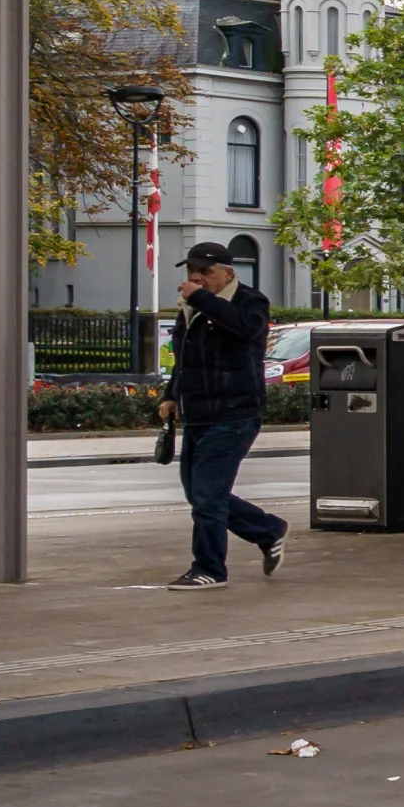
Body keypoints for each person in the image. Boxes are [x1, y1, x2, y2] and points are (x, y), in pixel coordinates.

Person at [161, 239, 285, 589]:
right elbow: (185, 358)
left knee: (207, 496)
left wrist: (201, 298)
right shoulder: (191, 307)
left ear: (228, 272)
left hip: (235, 412)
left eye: (206, 272)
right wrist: (171, 395)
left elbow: (247, 329)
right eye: (192, 271)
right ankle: (268, 530)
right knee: (199, 493)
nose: (197, 278)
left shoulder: (249, 301)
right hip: (197, 412)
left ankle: (209, 568)